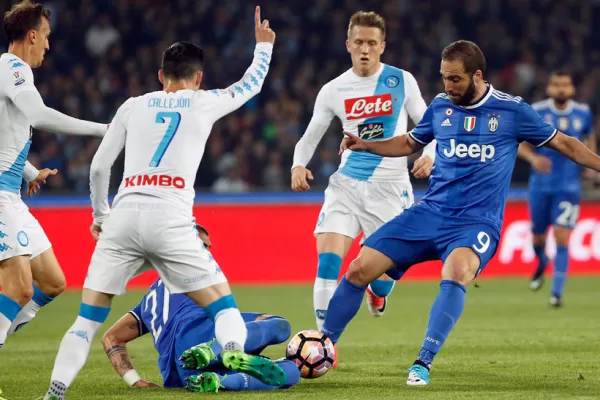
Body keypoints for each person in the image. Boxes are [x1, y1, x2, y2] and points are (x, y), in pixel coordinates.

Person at [318, 40, 600, 386]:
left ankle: (423, 362)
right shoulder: (440, 107)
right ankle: (324, 345)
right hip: (430, 212)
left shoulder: (511, 111)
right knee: (360, 269)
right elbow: (410, 143)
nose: (447, 87)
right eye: (444, 78)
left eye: (454, 79)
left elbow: (565, 143)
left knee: (457, 271)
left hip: (476, 222)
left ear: (476, 76)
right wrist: (367, 144)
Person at [42, 7, 281, 400]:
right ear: (198, 77)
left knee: (85, 322)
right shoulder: (204, 101)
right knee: (224, 310)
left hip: (123, 217)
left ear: (160, 77)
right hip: (171, 220)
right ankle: (234, 353)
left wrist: (101, 215)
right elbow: (250, 85)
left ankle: (55, 392)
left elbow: (100, 167)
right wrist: (263, 48)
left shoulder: (132, 106)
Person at [291, 11, 436, 335]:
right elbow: (310, 137)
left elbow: (430, 125)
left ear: (382, 45)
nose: (365, 49)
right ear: (348, 44)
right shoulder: (334, 89)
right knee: (328, 263)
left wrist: (429, 155)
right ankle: (324, 343)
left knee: (383, 278)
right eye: (359, 42)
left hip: (390, 189)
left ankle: (377, 292)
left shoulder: (401, 80)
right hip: (346, 186)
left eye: (372, 42)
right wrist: (298, 165)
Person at [0, 0, 108, 349]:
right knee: (19, 289)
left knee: (52, 283)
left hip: (11, 194)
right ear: (32, 35)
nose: (48, 45)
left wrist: (28, 171)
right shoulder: (13, 68)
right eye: (46, 36)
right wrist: (105, 129)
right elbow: (40, 115)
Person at [101, 224, 300, 393]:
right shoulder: (195, 270)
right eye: (203, 245)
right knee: (281, 326)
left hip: (178, 375)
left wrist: (135, 381)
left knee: (291, 371)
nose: (208, 250)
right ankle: (214, 351)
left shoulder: (148, 302)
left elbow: (111, 338)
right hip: (196, 333)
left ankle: (219, 381)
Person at [518, 71, 595, 307]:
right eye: (557, 85)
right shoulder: (537, 111)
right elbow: (520, 144)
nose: (561, 89)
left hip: (569, 186)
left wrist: (590, 166)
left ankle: (556, 293)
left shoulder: (583, 112)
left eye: (565, 84)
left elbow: (589, 138)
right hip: (540, 185)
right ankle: (541, 262)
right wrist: (533, 159)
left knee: (562, 237)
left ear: (571, 89)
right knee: (538, 238)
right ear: (549, 89)